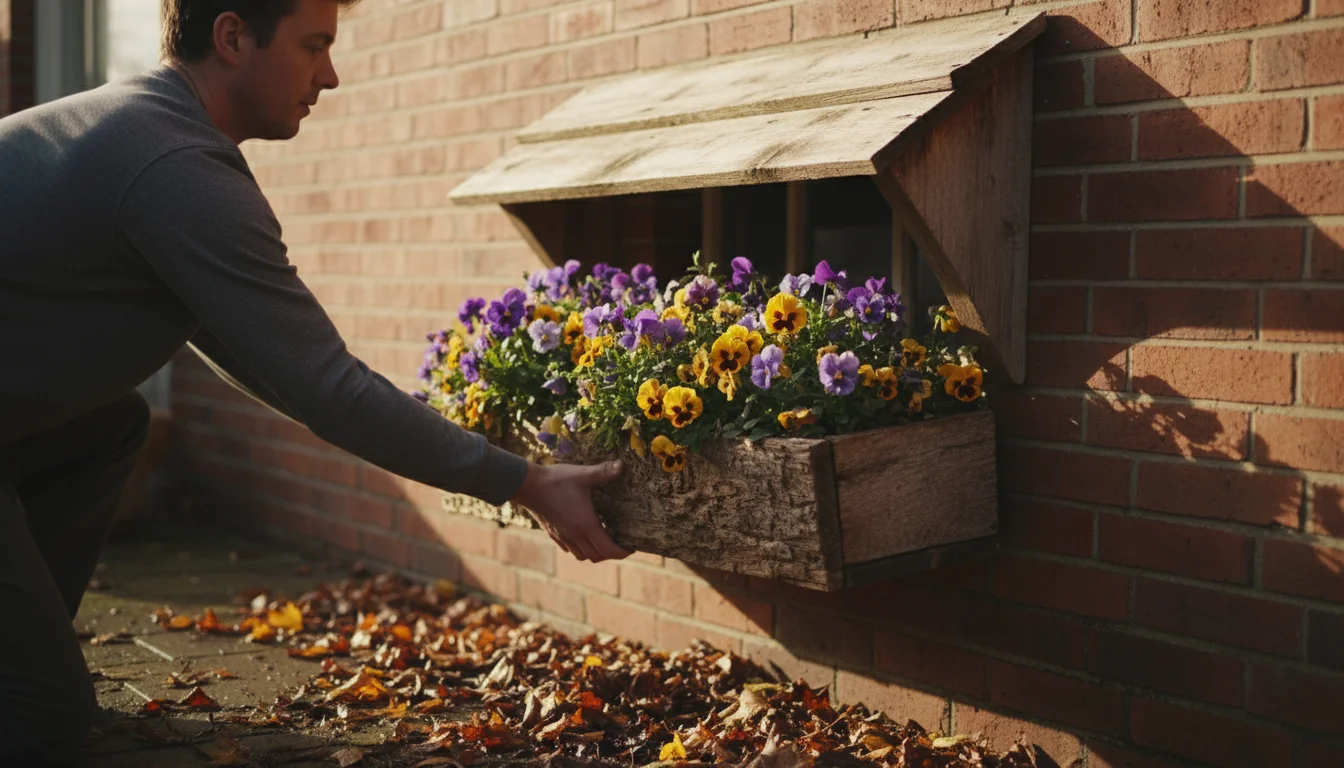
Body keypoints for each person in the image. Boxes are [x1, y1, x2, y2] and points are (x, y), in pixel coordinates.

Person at [0, 0, 630, 762]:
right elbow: (327, 388)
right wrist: (523, 480)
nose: (329, 76)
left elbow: (281, 375)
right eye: (313, 47)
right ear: (233, 37)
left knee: (115, 425)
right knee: (42, 722)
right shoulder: (174, 166)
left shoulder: (142, 133)